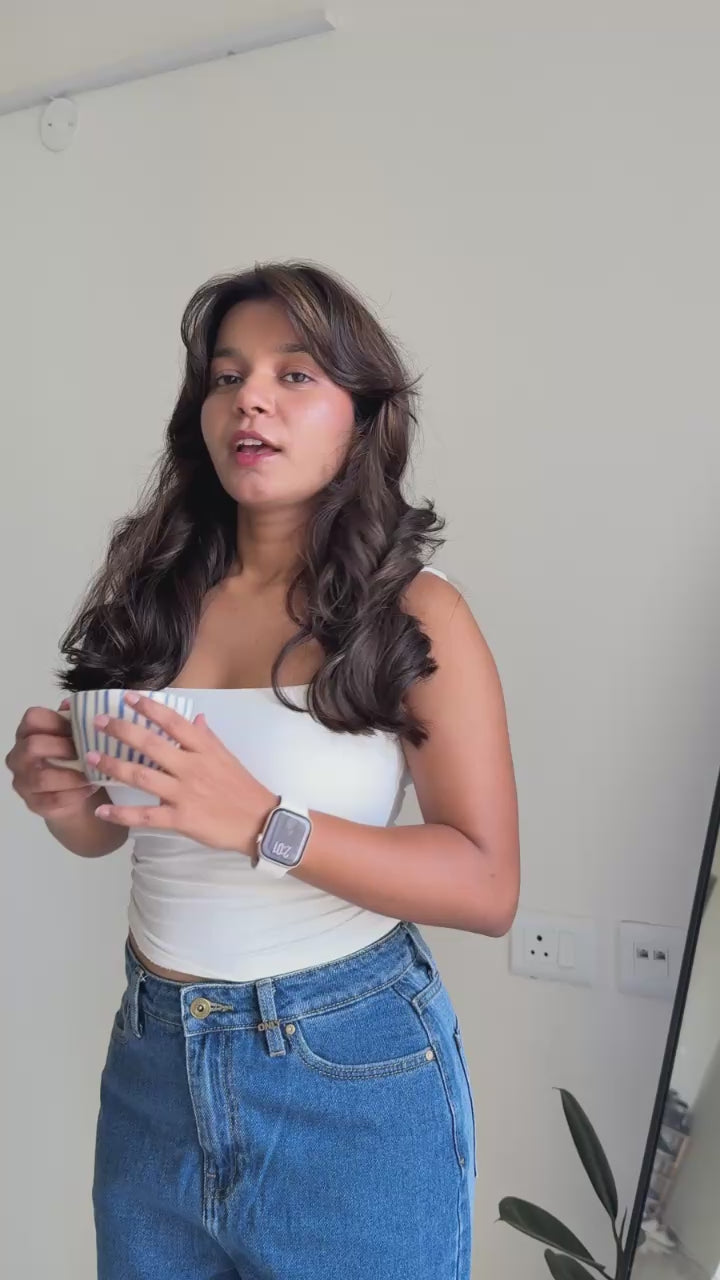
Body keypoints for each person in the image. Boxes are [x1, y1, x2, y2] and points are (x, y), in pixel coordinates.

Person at [5, 261, 520, 1280]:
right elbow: (116, 827)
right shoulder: (153, 592)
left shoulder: (416, 611)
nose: (251, 399)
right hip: (154, 1064)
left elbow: (487, 882)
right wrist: (64, 798)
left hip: (348, 1068)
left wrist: (260, 821)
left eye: (295, 375)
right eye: (228, 376)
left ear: (361, 414)